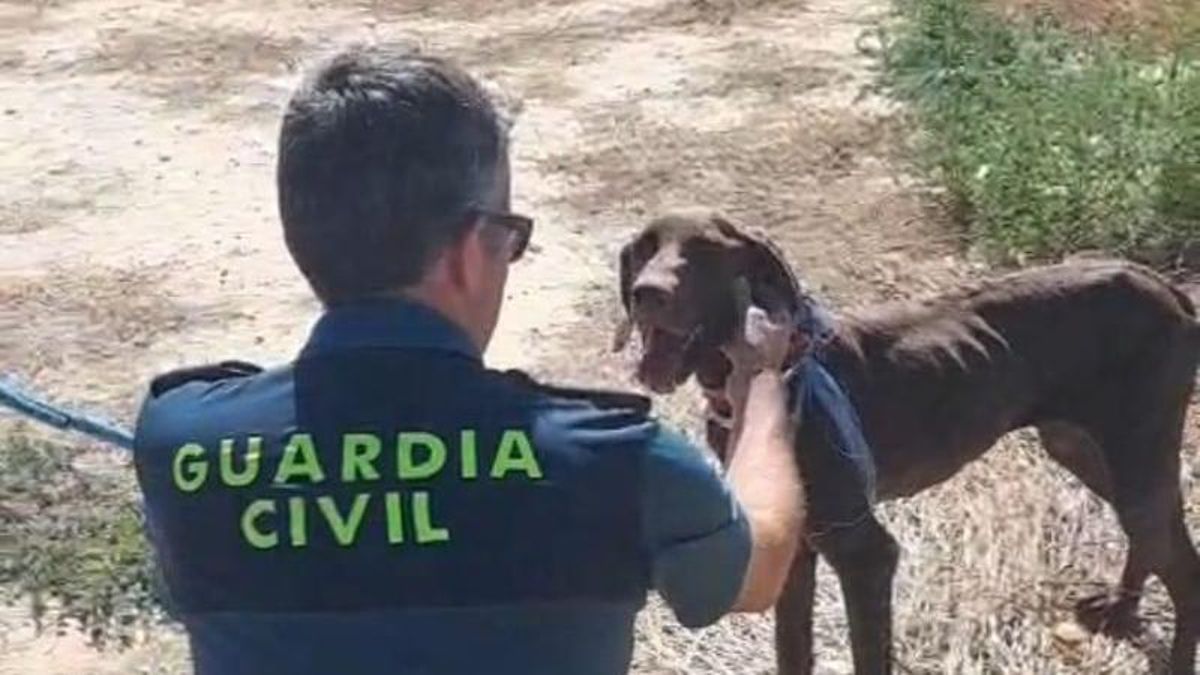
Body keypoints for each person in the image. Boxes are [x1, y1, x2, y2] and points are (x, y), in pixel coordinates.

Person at [132, 44, 805, 675]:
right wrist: (761, 377)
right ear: (467, 248)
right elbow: (762, 560)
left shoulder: (182, 444)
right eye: (510, 236)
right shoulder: (619, 460)